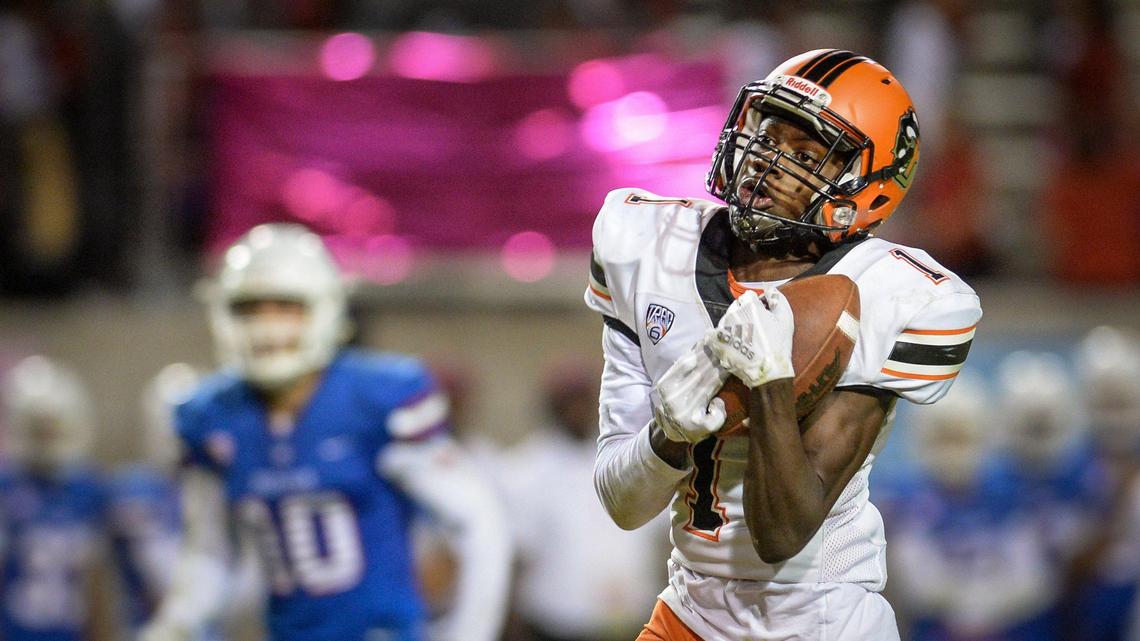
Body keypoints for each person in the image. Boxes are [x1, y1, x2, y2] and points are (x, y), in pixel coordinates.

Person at [584, 49, 983, 640]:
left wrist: (768, 385)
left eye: (804, 156)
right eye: (767, 137)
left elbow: (781, 534)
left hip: (818, 618)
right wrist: (667, 435)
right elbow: (622, 504)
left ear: (864, 187)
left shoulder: (897, 294)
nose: (767, 163)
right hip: (688, 612)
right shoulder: (644, 243)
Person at [139, 223, 512, 641]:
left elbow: (480, 523)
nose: (268, 326)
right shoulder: (213, 416)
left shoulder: (377, 398)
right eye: (251, 308)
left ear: (325, 310)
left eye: (286, 307)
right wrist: (176, 625)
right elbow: (210, 551)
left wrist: (469, 633)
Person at [504, 361, 667, 641]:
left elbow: (663, 535)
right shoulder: (525, 468)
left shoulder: (626, 456)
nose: (576, 407)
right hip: (556, 627)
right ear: (551, 405)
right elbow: (518, 557)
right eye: (567, 399)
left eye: (582, 397)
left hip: (635, 624)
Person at [890, 375, 1057, 641]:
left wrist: (985, 609)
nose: (953, 450)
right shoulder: (909, 501)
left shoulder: (1010, 494)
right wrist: (970, 608)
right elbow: (918, 585)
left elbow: (1035, 580)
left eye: (962, 437)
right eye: (944, 438)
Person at [0, 355, 116, 641]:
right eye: (40, 428)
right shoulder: (7, 486)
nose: (48, 437)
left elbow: (99, 582)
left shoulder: (90, 487)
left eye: (53, 427)